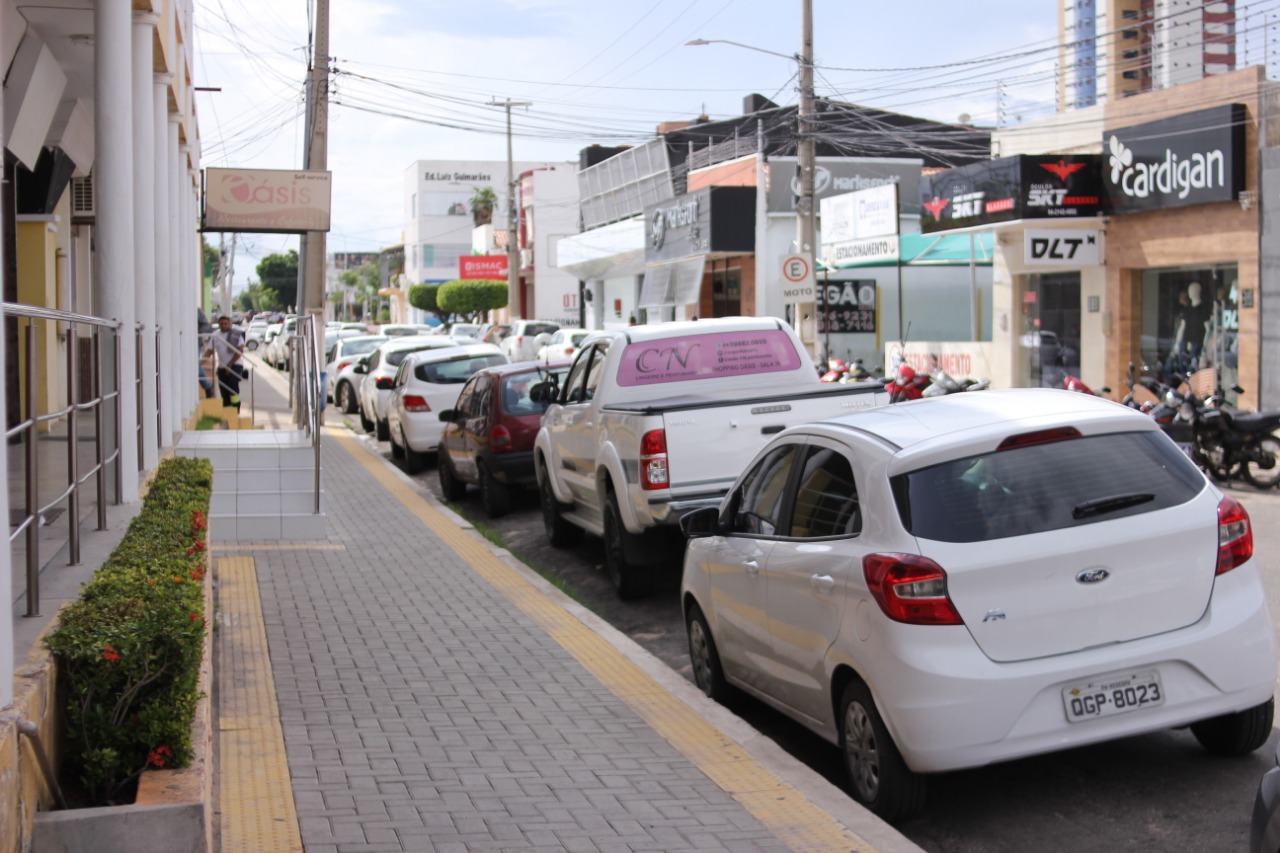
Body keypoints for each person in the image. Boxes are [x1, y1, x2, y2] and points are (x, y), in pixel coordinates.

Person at [205, 315, 246, 410]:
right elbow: (209, 351)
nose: (223, 326)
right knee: (223, 390)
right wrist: (199, 363)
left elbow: (239, 351)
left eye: (225, 323)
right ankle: (227, 409)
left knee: (232, 386)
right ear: (219, 324)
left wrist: (230, 365)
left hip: (235, 365)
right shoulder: (216, 335)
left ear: (230, 323)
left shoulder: (236, 334)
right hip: (222, 367)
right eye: (221, 324)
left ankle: (236, 409)